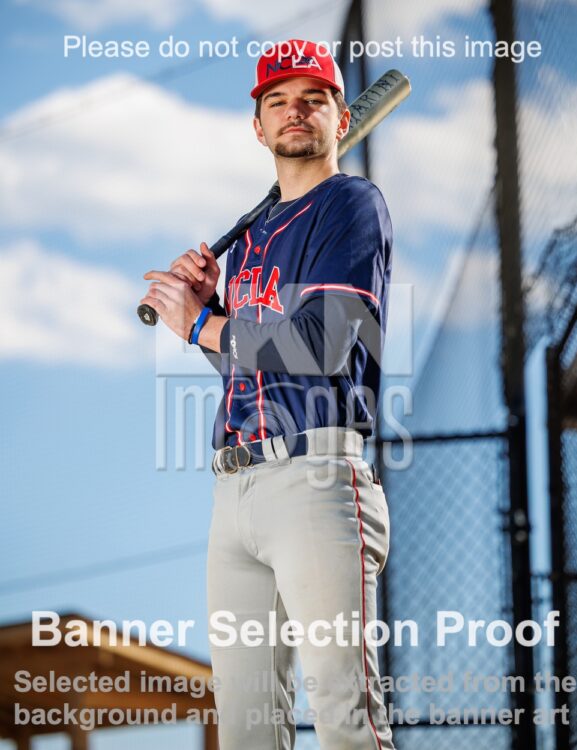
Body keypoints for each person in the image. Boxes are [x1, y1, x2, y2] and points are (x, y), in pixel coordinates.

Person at [141, 39, 395, 750]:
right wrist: (210, 304)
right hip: (236, 491)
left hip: (317, 481)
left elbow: (322, 347)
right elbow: (252, 370)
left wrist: (204, 325)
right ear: (258, 126)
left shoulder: (351, 204)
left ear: (341, 117)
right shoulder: (252, 241)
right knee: (248, 732)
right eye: (278, 101)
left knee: (347, 722)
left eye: (314, 98)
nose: (296, 111)